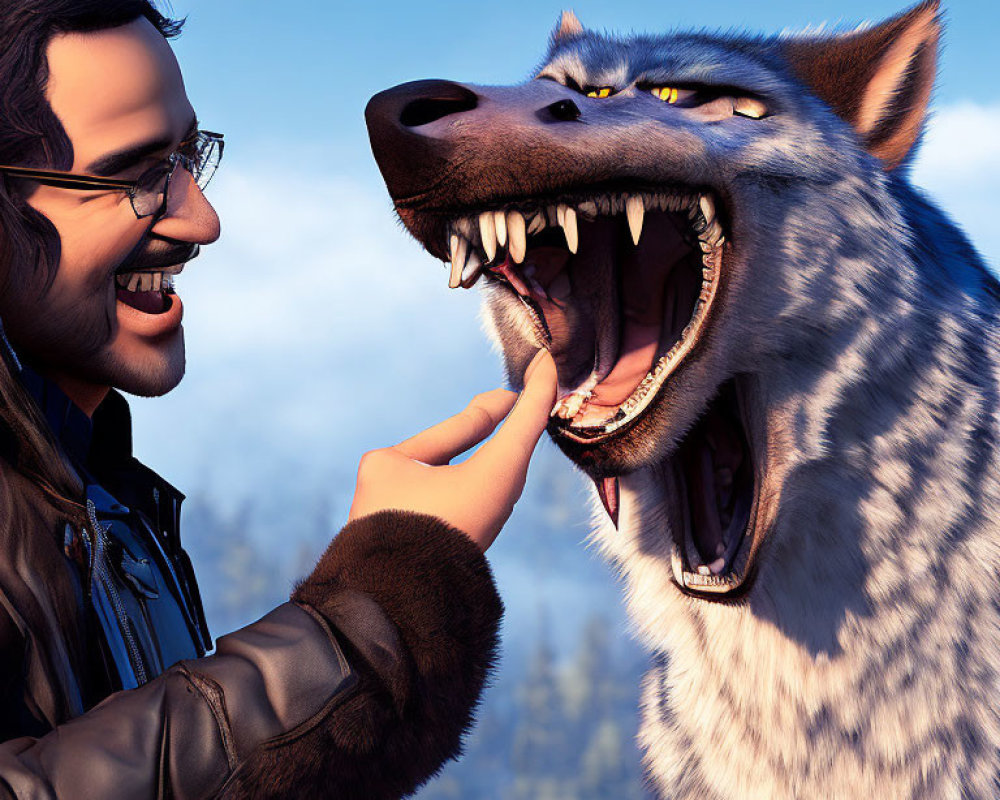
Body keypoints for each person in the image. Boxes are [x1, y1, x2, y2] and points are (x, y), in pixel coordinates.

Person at [0, 1, 558, 797]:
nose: (202, 218)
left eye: (189, 156)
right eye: (135, 176)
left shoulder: (104, 500)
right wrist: (368, 622)